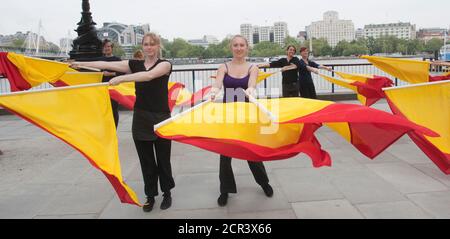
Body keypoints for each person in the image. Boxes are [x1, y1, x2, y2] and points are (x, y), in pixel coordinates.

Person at [70, 33, 175, 213]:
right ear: (142, 46)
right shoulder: (134, 64)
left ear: (158, 47)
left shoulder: (165, 64)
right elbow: (106, 64)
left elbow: (148, 76)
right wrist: (80, 64)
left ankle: (167, 193)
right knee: (146, 161)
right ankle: (150, 196)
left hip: (161, 118)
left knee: (163, 160)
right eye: (146, 44)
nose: (149, 47)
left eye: (152, 44)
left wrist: (121, 78)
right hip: (141, 118)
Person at [210, 35, 274, 207]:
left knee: (251, 152)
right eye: (235, 45)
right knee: (225, 154)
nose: (238, 48)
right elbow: (217, 84)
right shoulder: (223, 67)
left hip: (247, 115)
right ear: (231, 48)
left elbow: (252, 83)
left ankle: (264, 183)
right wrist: (213, 91)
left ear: (247, 48)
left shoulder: (253, 67)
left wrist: (251, 89)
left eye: (241, 45)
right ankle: (225, 190)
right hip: (228, 116)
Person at [100, 39, 123, 128]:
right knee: (104, 110)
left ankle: (114, 129)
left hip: (114, 89)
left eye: (109, 46)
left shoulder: (117, 60)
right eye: (105, 46)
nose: (107, 48)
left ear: (112, 48)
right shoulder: (100, 60)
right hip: (102, 89)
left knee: (113, 109)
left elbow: (122, 73)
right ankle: (106, 129)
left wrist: (110, 74)